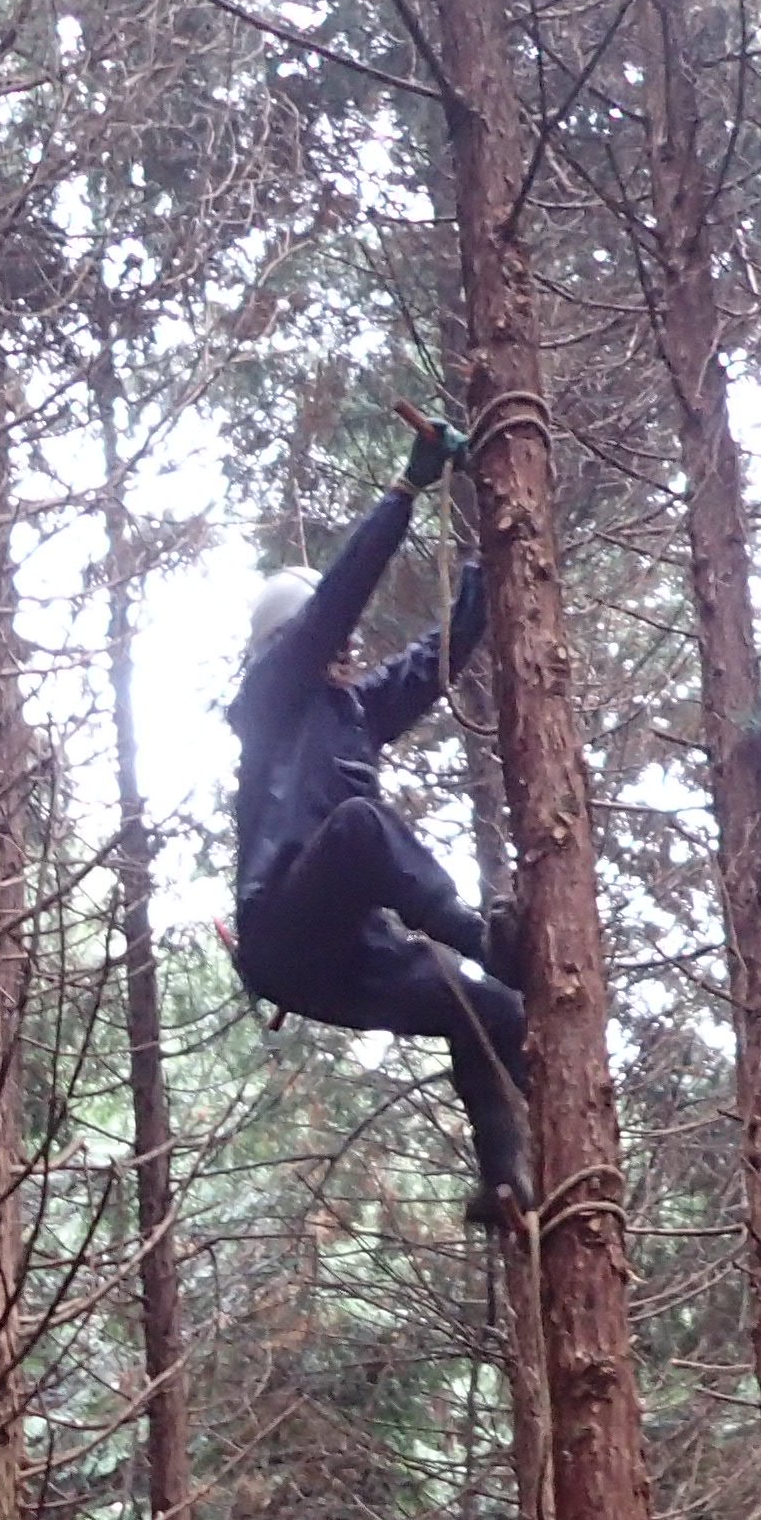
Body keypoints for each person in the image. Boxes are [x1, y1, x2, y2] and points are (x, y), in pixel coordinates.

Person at [227, 411, 531, 1225]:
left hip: (346, 958)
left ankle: (502, 1180)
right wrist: (404, 490)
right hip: (284, 933)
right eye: (333, 638)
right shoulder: (269, 701)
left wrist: (487, 548)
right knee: (361, 824)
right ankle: (481, 939)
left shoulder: (351, 711)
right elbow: (337, 599)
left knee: (497, 1013)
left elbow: (435, 661)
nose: (350, 647)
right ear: (290, 643)